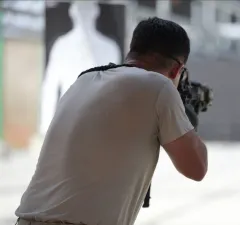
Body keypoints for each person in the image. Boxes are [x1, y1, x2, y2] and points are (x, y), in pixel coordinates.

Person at [15, 17, 208, 225]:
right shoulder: (160, 87)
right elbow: (196, 168)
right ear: (176, 70)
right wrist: (186, 113)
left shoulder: (84, 79)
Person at [40, 1, 121, 136]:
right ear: (73, 13)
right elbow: (50, 87)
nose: (84, 15)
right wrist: (45, 126)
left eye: (88, 10)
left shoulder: (110, 48)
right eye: (81, 10)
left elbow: (117, 90)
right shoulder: (61, 46)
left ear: (96, 13)